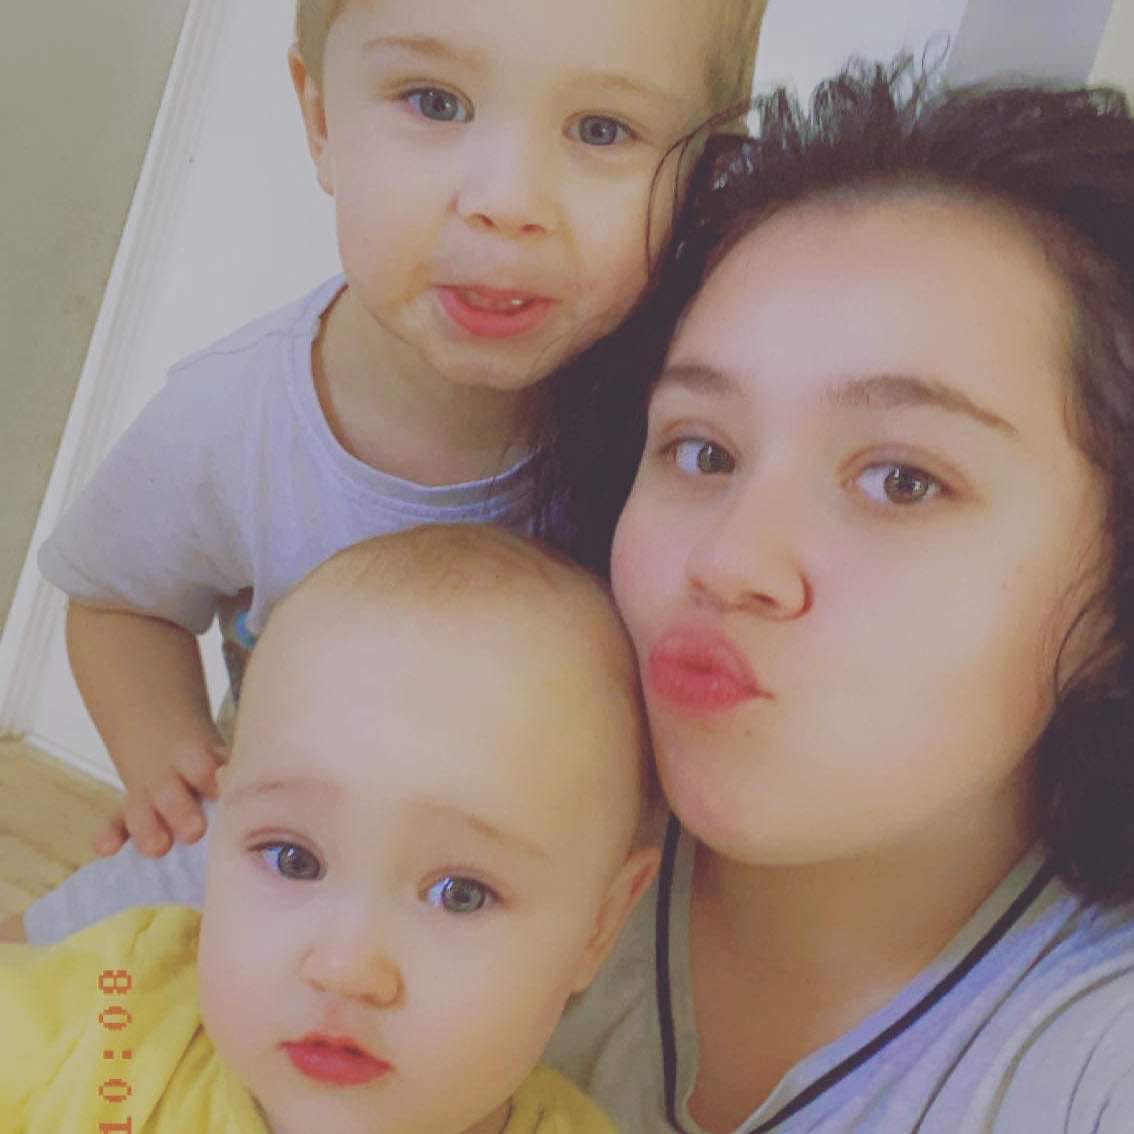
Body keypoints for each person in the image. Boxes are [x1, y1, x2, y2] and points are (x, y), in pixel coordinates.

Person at [533, 61, 1134, 1131]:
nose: (729, 560)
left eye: (902, 479)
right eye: (702, 451)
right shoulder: (448, 847)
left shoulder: (1094, 1055)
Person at [30, 0, 765, 872]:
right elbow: (119, 601)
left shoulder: (695, 428)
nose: (507, 202)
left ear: (704, 175)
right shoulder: (231, 417)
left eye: (602, 129)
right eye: (435, 102)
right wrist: (167, 754)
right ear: (322, 123)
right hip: (296, 882)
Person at [0, 525, 659, 1134]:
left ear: (598, 930)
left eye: (461, 894)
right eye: (292, 858)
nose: (345, 969)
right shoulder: (117, 1012)